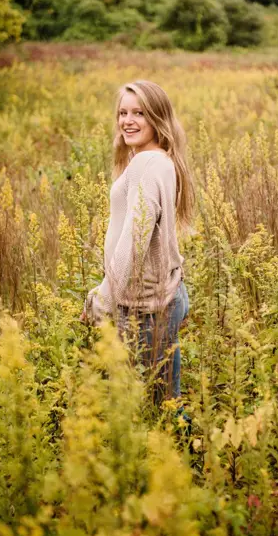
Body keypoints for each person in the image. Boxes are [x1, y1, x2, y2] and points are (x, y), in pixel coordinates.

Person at [81, 80, 194, 401]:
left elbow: (134, 240)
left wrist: (103, 300)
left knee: (154, 407)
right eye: (123, 113)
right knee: (165, 402)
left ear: (157, 117)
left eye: (139, 113)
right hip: (162, 295)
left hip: (149, 308)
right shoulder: (156, 159)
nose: (127, 121)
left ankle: (177, 448)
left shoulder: (148, 164)